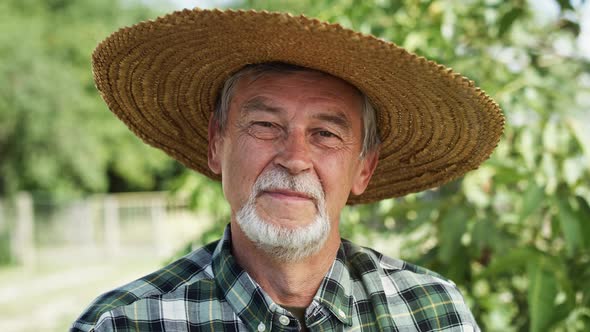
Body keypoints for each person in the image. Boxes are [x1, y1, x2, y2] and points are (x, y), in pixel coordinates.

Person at [71, 8, 503, 332]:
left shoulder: (430, 312)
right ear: (216, 145)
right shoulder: (125, 322)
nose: (294, 158)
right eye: (265, 125)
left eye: (326, 135)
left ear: (364, 169)